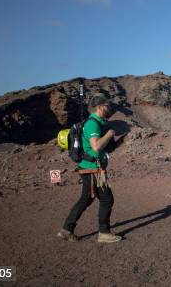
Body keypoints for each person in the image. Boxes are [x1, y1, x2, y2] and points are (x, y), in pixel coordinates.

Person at [57, 93, 122, 243]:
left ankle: (67, 229)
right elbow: (97, 146)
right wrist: (110, 133)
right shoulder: (93, 123)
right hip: (93, 170)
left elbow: (103, 148)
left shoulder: (100, 122)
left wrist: (118, 142)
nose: (110, 108)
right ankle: (104, 233)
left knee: (85, 199)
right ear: (100, 107)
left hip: (92, 168)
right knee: (107, 200)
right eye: (108, 105)